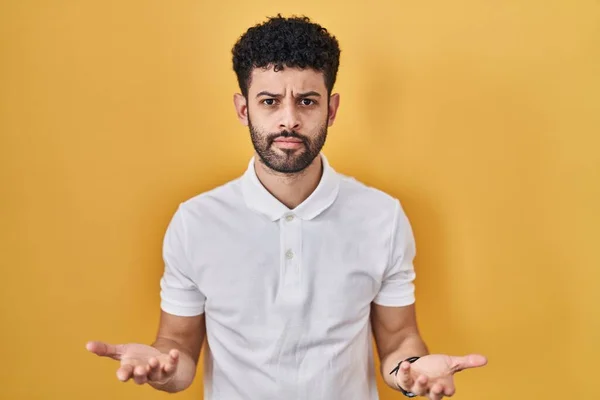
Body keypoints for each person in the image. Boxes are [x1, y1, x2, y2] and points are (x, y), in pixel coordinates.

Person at [86, 14, 487, 400]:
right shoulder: (195, 222)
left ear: (331, 109)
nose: (289, 120)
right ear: (244, 109)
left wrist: (411, 372)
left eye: (308, 101)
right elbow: (178, 347)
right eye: (270, 101)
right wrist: (163, 369)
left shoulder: (382, 217)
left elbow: (399, 339)